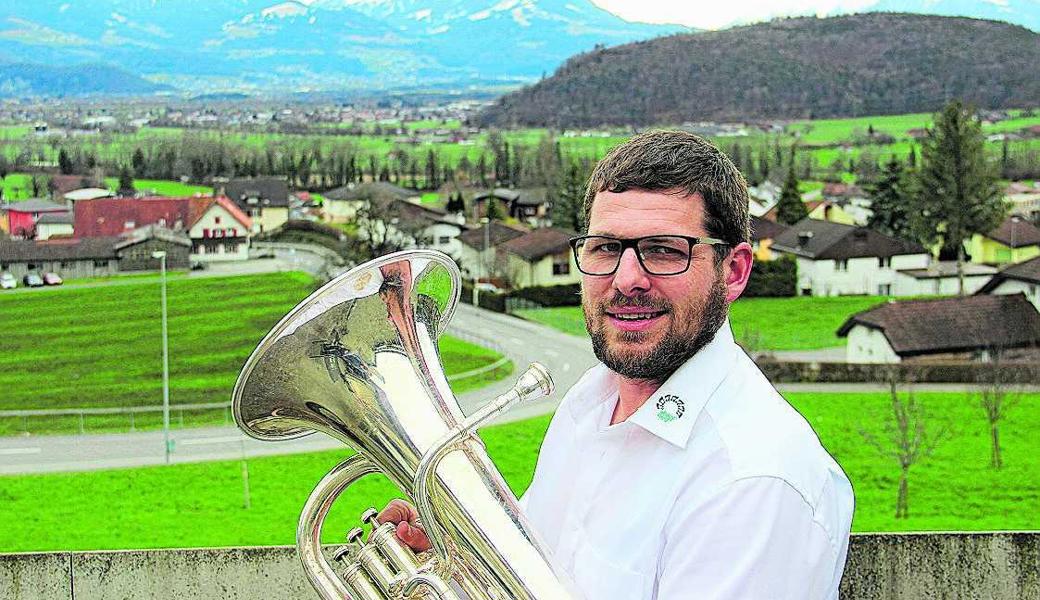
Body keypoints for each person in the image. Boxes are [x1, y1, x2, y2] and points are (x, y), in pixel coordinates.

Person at [380, 131, 855, 599]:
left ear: (733, 272)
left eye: (664, 250)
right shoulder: (590, 401)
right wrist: (457, 568)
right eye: (606, 248)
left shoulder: (753, 480)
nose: (626, 280)